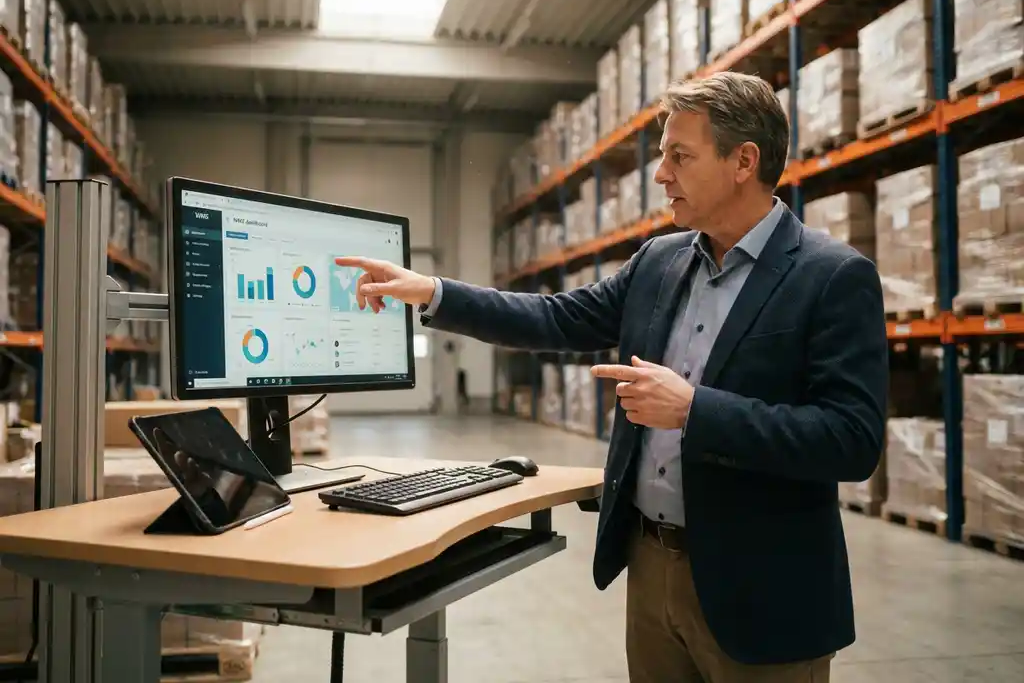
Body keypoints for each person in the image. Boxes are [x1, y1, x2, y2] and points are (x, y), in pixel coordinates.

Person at [334, 71, 888, 683]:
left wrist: (696, 410)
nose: (660, 174)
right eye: (661, 156)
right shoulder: (661, 260)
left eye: (680, 156)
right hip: (651, 565)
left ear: (743, 161)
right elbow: (555, 318)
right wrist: (431, 292)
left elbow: (852, 438)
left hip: (764, 588)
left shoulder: (833, 276)